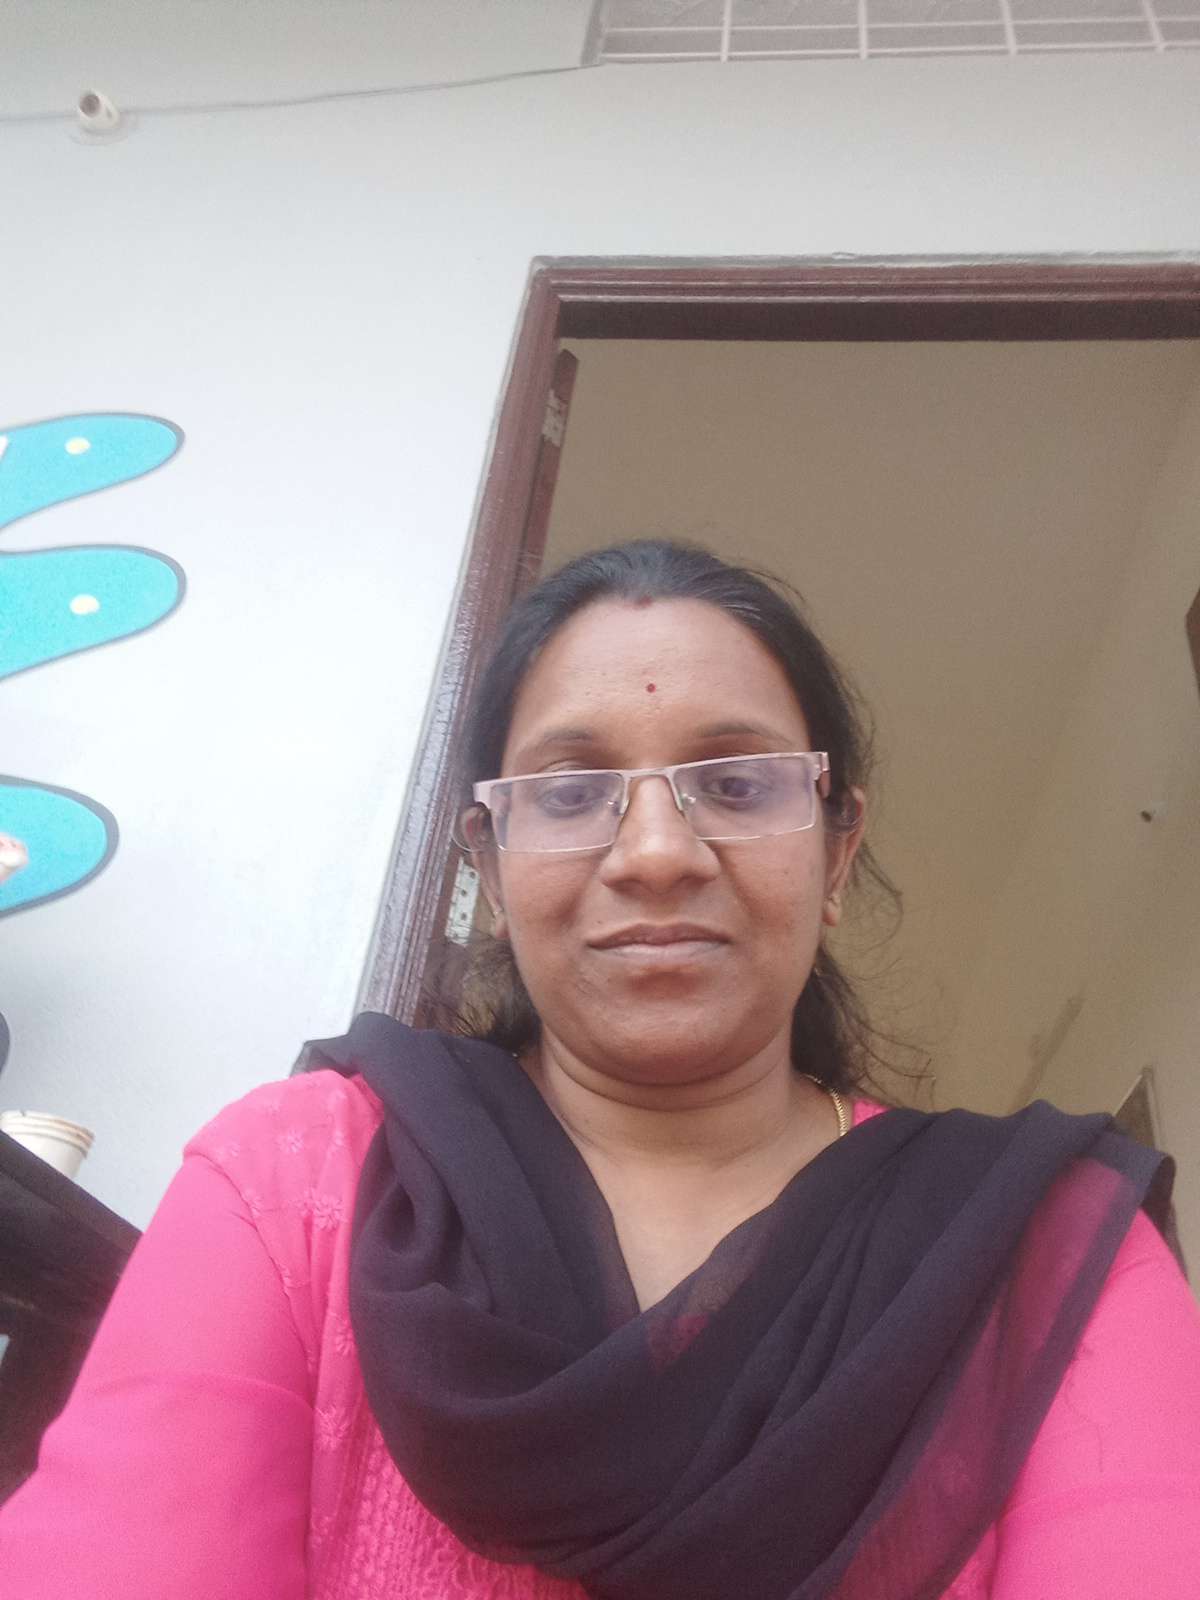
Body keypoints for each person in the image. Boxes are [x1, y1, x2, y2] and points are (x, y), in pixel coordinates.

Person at [1, 539, 1197, 1600]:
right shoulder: (297, 1177)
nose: (658, 854)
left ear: (838, 852)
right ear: (488, 862)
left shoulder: (1046, 1254)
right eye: (571, 793)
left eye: (737, 783)